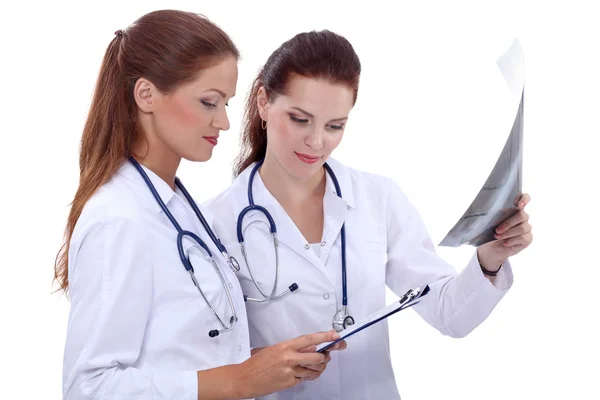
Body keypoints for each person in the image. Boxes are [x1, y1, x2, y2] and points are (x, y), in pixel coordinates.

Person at [204, 30, 533, 399]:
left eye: (335, 126)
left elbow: (449, 315)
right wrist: (263, 361)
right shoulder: (215, 222)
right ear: (264, 102)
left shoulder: (378, 198)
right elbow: (203, 356)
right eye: (299, 119)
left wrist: (490, 260)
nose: (316, 142)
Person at [55, 11, 342, 400]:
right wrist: (241, 380)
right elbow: (88, 388)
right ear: (146, 95)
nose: (223, 122)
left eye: (225, 103)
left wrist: (269, 363)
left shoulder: (179, 207)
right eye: (209, 102)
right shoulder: (118, 219)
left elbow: (181, 348)